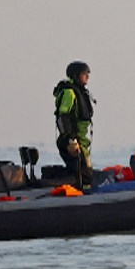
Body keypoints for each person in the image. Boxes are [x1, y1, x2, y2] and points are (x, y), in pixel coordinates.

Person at [53, 61, 96, 190]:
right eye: (84, 74)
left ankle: (83, 191)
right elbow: (63, 117)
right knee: (83, 174)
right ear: (75, 75)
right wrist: (71, 140)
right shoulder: (69, 93)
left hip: (81, 141)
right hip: (72, 141)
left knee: (86, 173)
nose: (87, 77)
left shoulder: (81, 92)